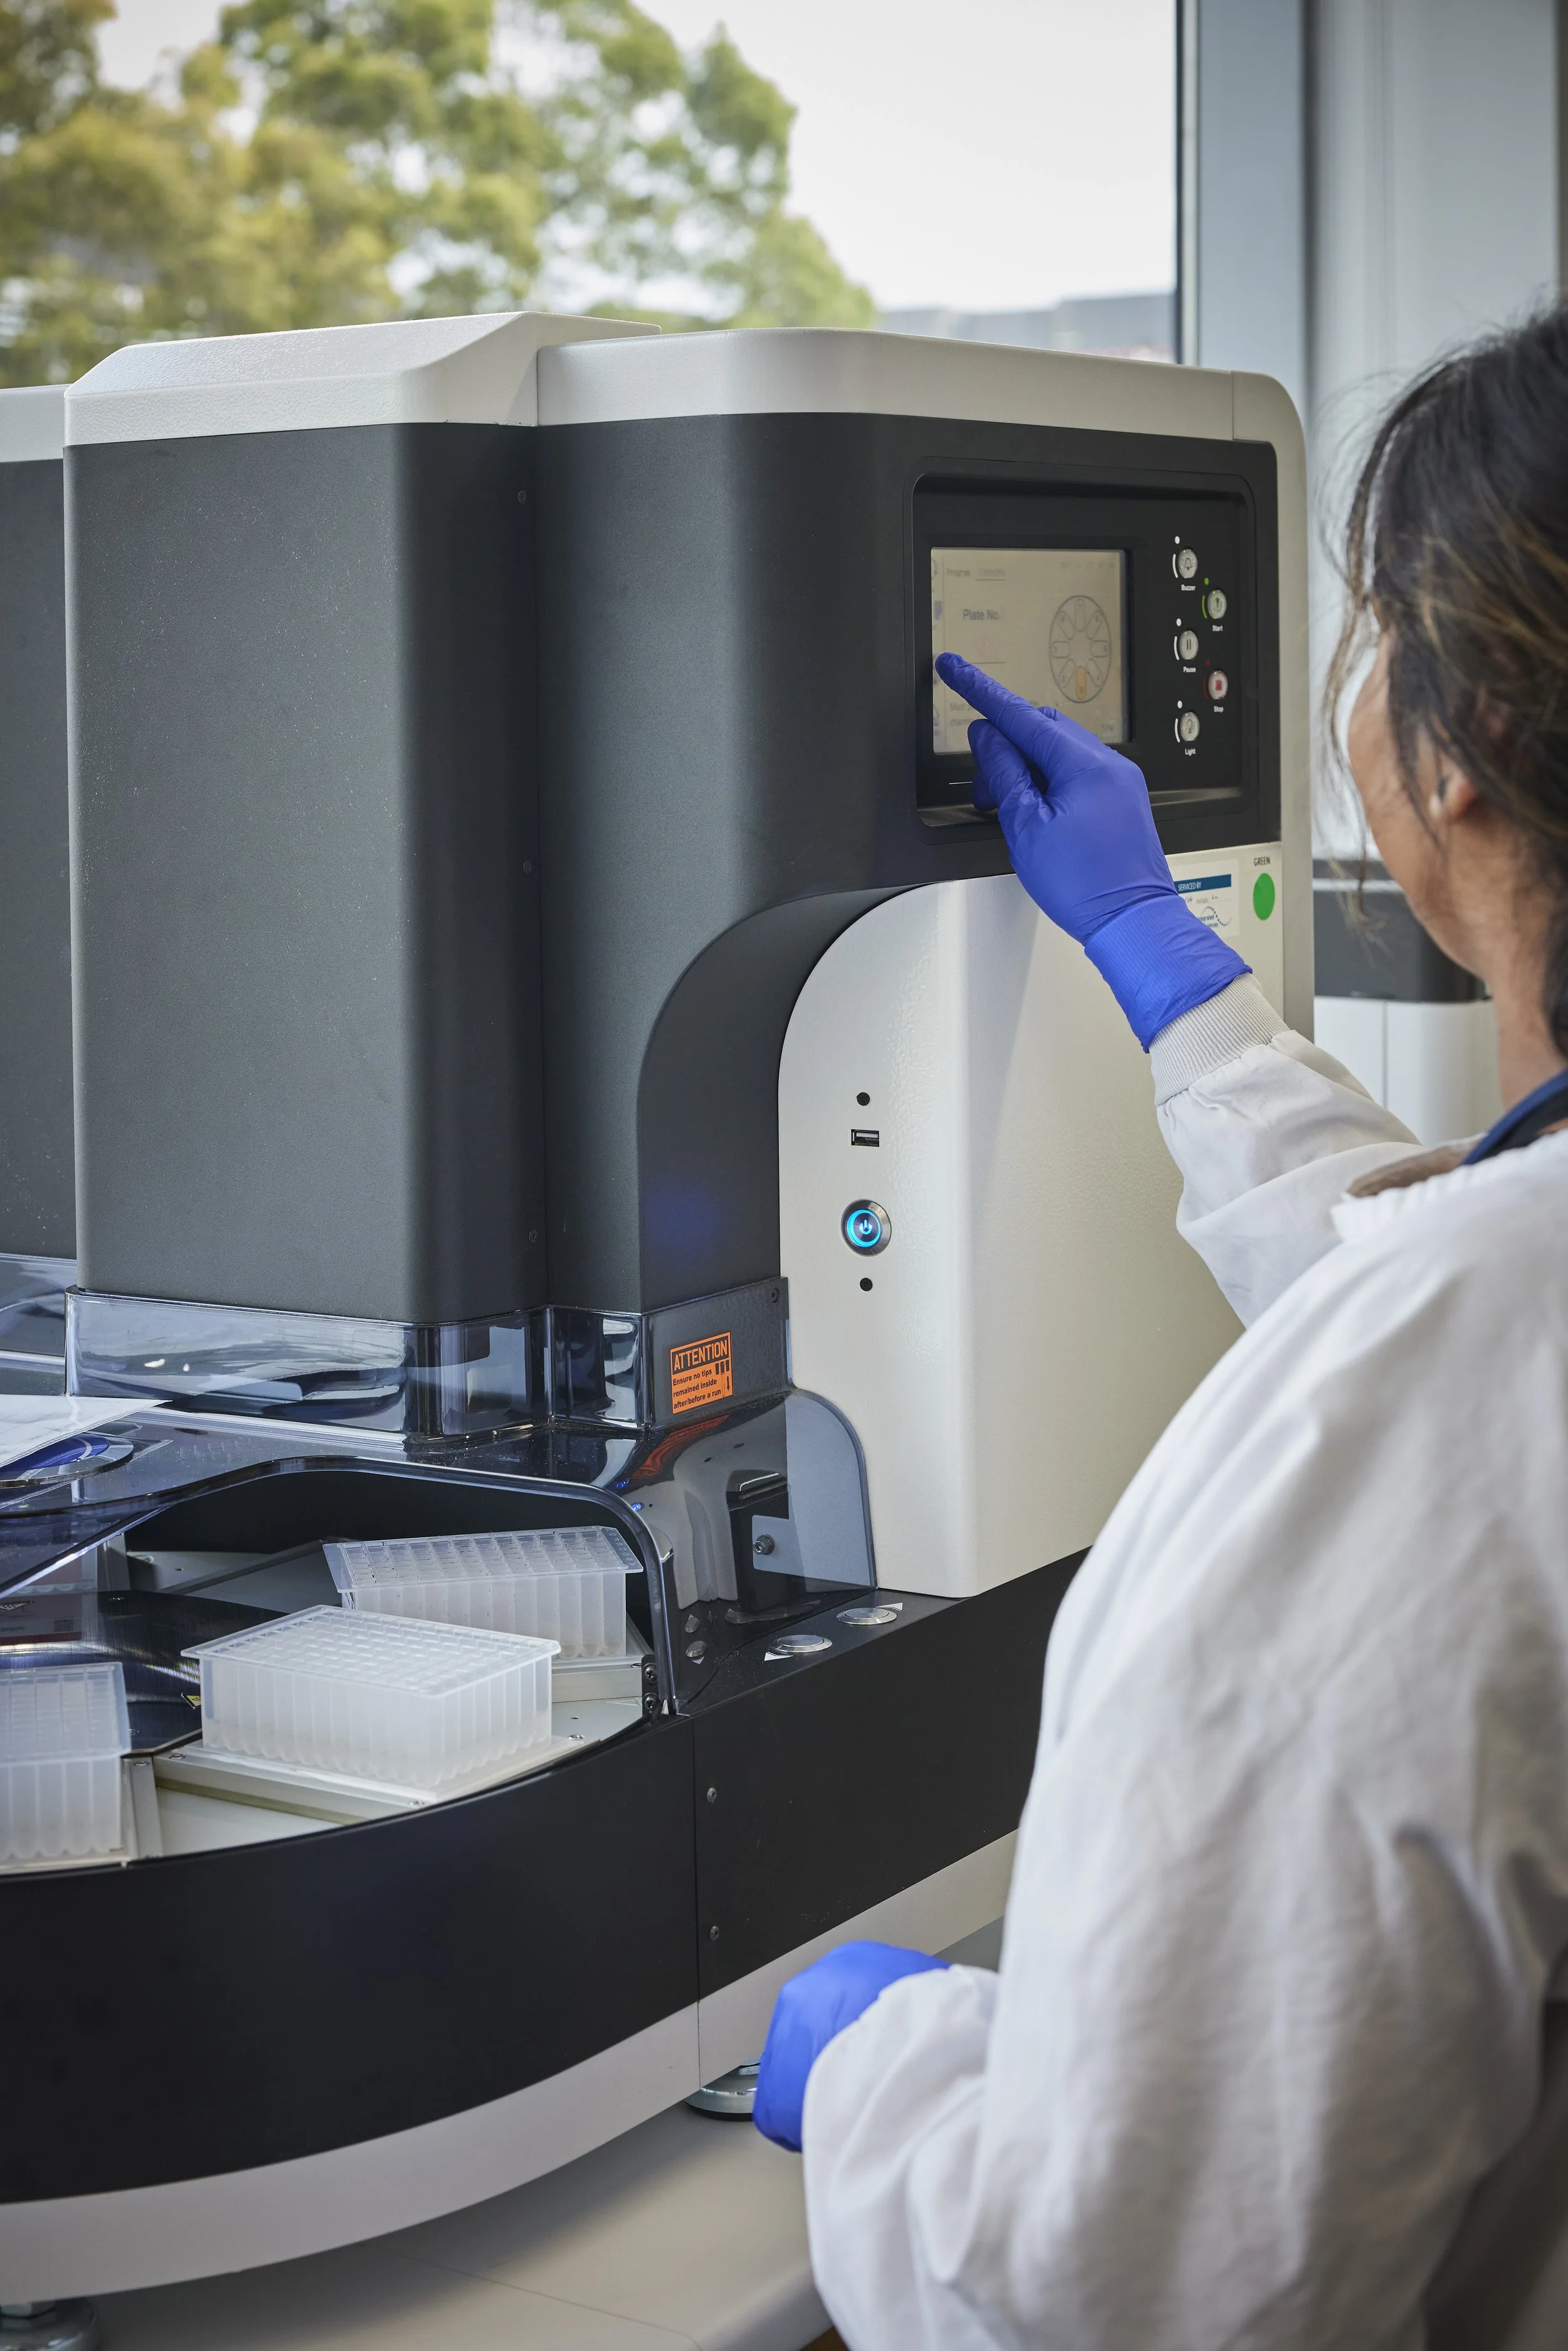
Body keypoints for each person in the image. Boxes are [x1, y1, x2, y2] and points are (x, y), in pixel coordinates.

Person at [753, 307, 1568, 2351]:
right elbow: (1470, 1288)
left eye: (1376, 627)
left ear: (1452, 748)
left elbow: (1108, 2298)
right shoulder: (1466, 1340)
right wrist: (1167, 969)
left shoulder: (1402, 1422)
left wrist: (883, 2070)